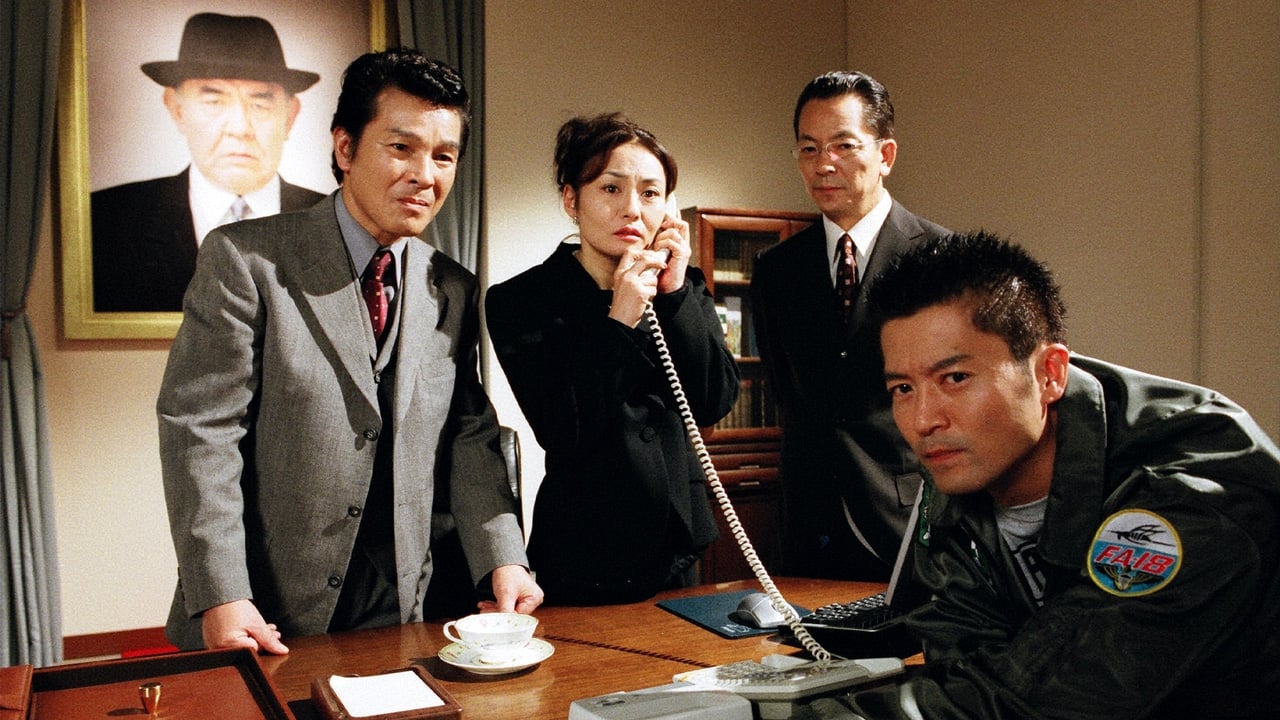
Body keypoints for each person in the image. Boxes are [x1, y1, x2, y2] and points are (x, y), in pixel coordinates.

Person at [157, 49, 542, 655]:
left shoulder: (452, 286)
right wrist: (221, 592)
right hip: (267, 606)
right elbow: (202, 432)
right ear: (345, 148)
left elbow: (468, 432)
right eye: (401, 148)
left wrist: (503, 558)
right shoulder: (245, 260)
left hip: (404, 604)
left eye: (444, 156)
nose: (425, 174)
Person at [819, 230, 1280, 718]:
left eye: (955, 378)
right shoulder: (963, 464)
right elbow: (963, 664)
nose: (922, 420)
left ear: (1050, 374)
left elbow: (1050, 700)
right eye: (903, 388)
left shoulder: (1190, 490)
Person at [485, 113, 740, 605]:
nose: (632, 209)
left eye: (650, 193)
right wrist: (619, 320)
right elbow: (563, 428)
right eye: (611, 189)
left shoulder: (682, 288)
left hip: (677, 546)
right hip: (585, 549)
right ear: (571, 200)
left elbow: (714, 401)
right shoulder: (521, 300)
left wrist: (674, 296)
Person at [750, 71, 950, 581]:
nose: (824, 164)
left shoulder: (942, 258)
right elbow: (786, 393)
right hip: (804, 526)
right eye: (809, 149)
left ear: (885, 155)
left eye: (843, 146)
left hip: (906, 520)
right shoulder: (776, 270)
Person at [91, 12, 326, 312]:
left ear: (290, 116)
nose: (240, 128)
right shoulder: (106, 222)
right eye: (214, 101)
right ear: (177, 109)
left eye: (259, 103)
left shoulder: (334, 223)